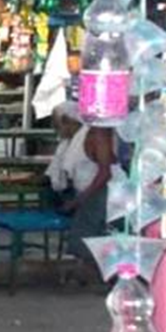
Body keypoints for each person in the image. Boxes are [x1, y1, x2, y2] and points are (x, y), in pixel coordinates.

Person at [45, 101, 115, 277]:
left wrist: (79, 200)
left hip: (101, 192)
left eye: (57, 124)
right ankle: (87, 273)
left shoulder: (96, 134)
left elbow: (105, 173)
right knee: (84, 238)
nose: (56, 130)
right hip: (86, 192)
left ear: (68, 120)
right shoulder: (73, 141)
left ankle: (99, 276)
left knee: (90, 237)